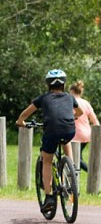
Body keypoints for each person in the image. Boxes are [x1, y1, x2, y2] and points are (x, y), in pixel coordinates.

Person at [16, 70, 83, 213]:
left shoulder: (43, 98)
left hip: (52, 130)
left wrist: (20, 121)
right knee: (66, 139)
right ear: (64, 84)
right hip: (69, 129)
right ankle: (71, 171)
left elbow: (27, 112)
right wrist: (72, 117)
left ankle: (49, 198)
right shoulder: (69, 97)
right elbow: (80, 113)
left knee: (46, 160)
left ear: (48, 84)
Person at [69, 80, 99, 172]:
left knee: (75, 156)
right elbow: (94, 120)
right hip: (87, 133)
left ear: (72, 91)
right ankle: (77, 174)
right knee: (78, 155)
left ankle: (91, 171)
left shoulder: (71, 102)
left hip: (75, 134)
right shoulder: (86, 103)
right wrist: (99, 134)